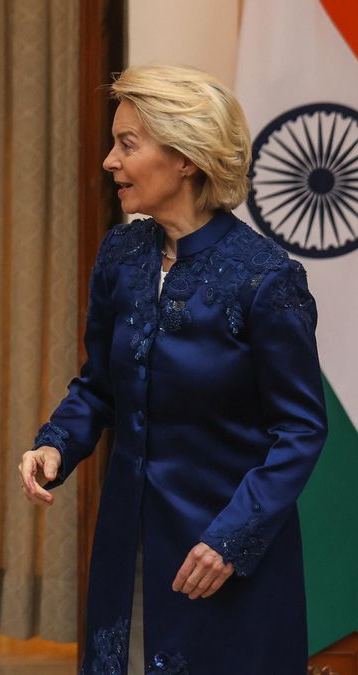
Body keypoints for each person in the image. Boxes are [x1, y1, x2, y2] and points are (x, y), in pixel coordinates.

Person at [19, 64, 327, 674]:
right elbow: (98, 386)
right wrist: (57, 444)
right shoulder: (121, 254)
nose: (110, 161)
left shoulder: (266, 278)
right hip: (127, 544)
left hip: (223, 557)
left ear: (186, 158)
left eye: (127, 145)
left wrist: (230, 542)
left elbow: (300, 432)